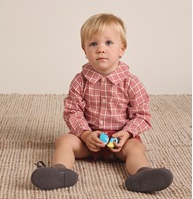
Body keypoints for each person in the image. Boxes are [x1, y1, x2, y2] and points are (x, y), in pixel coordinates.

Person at [31, 13, 173, 193]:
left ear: (122, 49)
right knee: (64, 141)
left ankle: (143, 174)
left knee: (136, 148)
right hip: (90, 139)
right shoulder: (79, 81)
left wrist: (127, 133)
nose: (100, 49)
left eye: (108, 43)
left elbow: (142, 115)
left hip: (120, 140)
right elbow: (72, 111)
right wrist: (85, 135)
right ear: (85, 51)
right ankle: (60, 171)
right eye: (93, 44)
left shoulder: (131, 82)